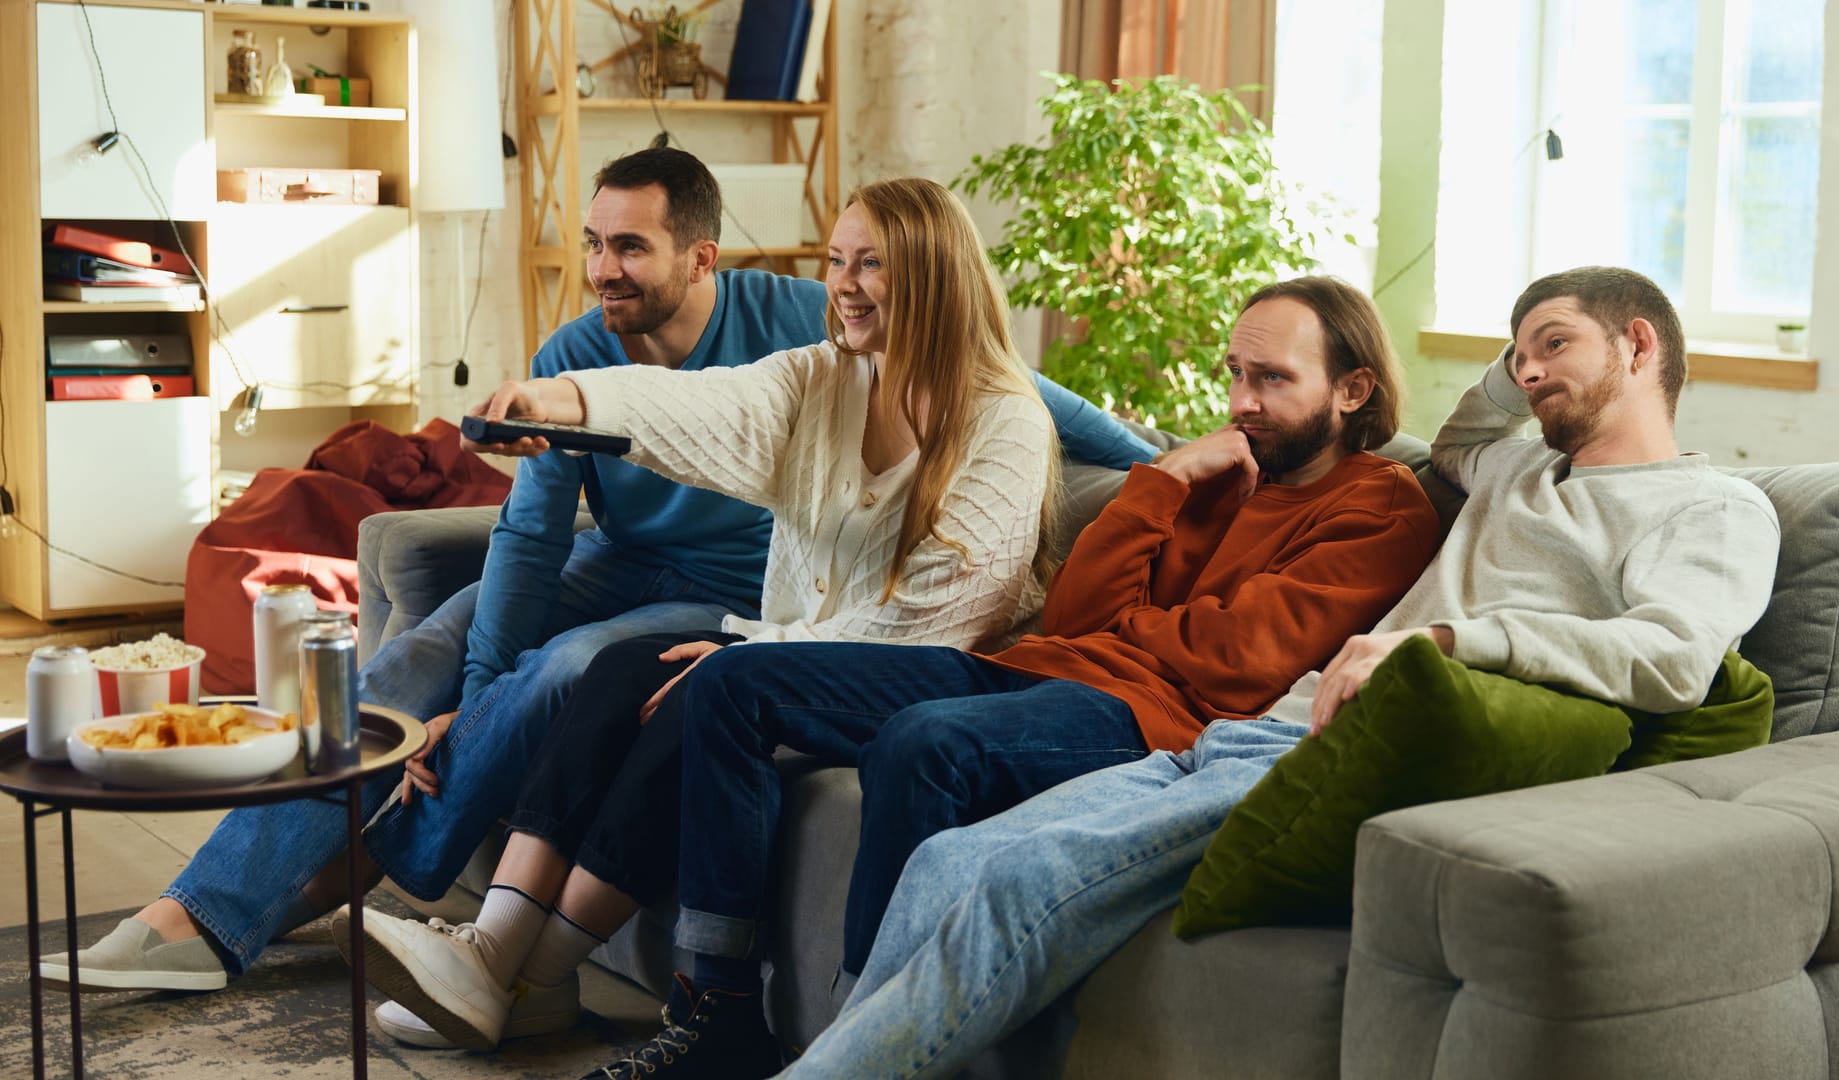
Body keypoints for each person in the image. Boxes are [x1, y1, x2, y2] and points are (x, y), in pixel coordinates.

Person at [40, 153, 1156, 996]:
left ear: (700, 256)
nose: (604, 271)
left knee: (575, 667)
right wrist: (459, 695)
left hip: (722, 590)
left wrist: (1163, 456)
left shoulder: (796, 327)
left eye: (631, 248)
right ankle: (211, 907)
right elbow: (533, 533)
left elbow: (1000, 383)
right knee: (421, 655)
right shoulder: (592, 346)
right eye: (593, 244)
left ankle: (417, 878)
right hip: (614, 562)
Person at [775, 266, 1784, 1080]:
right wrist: (1533, 344)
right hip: (1253, 732)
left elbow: (1675, 657)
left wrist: (1451, 642)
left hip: (1337, 751)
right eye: (1516, 355)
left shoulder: (1714, 510)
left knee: (1021, 882)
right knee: (953, 864)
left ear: (1642, 343)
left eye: (1555, 345)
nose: (1525, 374)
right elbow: (1465, 431)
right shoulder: (1515, 468)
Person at [567, 275, 1445, 1080]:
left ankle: (859, 1035)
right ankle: (715, 1011)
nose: (1242, 402)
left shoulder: (1382, 504)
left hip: (1149, 719)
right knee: (736, 683)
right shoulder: (1214, 478)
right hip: (1036, 669)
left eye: (1273, 380)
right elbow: (1072, 614)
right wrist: (1167, 474)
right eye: (1235, 373)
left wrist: (1136, 627)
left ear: (1353, 390)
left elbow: (1241, 659)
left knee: (927, 743)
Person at [341, 175, 1084, 1054]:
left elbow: (936, 624)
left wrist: (753, 648)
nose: (842, 284)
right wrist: (558, 405)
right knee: (626, 666)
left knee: (705, 684)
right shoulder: (823, 380)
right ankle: (498, 951)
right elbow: (701, 406)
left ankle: (526, 973)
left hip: (929, 676)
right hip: (802, 660)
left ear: (931, 272)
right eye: (836, 261)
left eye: (870, 264)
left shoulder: (1005, 419)